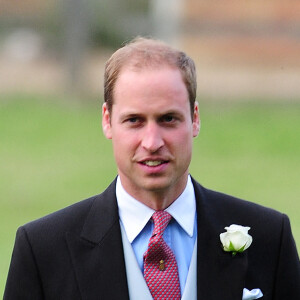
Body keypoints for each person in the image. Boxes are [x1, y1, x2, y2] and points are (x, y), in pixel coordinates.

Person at [4, 37, 300, 300]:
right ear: (107, 120)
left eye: (168, 119)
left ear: (195, 119)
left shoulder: (269, 238)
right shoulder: (43, 251)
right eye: (134, 120)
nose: (152, 141)